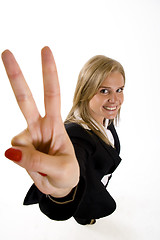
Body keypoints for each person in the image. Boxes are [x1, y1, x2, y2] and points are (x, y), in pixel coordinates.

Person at [2, 47, 125, 225]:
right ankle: (83, 217)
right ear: (86, 91)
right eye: (104, 91)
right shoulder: (76, 137)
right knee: (84, 208)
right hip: (86, 192)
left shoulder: (105, 120)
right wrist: (64, 192)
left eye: (119, 89)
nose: (115, 99)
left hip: (98, 181)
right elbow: (73, 167)